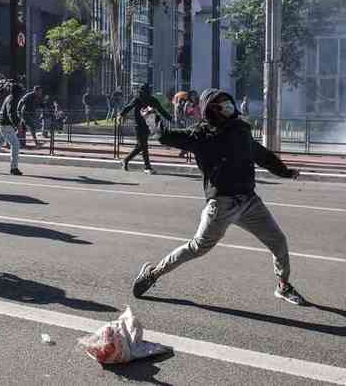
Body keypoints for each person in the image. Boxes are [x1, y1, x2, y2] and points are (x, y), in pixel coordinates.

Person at [131, 88, 305, 306]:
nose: (228, 107)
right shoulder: (201, 135)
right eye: (222, 104)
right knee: (197, 248)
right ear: (211, 110)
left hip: (249, 202)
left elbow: (261, 155)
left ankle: (283, 285)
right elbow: (165, 135)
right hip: (221, 205)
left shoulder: (241, 131)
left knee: (278, 241)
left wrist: (285, 171)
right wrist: (150, 116)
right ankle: (152, 274)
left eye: (228, 102)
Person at [118, 84, 172, 174]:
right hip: (138, 125)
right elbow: (129, 107)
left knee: (140, 147)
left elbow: (161, 110)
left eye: (147, 92)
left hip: (148, 125)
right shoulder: (137, 99)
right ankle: (147, 167)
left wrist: (170, 119)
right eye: (143, 92)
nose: (145, 94)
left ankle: (125, 160)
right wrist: (121, 114)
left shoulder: (152, 100)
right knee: (144, 146)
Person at [0, 80, 23, 176]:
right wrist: (18, 125)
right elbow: (11, 114)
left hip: (0, 124)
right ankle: (14, 168)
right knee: (15, 144)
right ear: (17, 92)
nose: (21, 94)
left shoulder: (9, 97)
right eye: (20, 92)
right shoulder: (12, 99)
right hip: (5, 126)